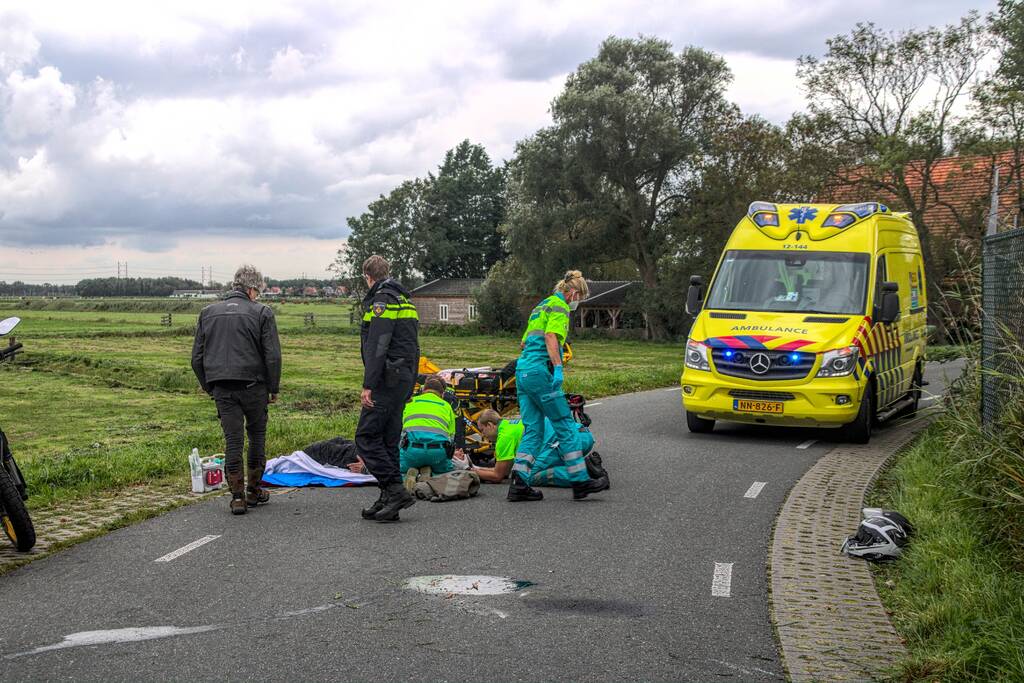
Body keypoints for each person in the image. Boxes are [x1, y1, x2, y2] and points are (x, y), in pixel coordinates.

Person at [508, 270, 609, 501]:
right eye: (579, 298)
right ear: (573, 293)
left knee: (533, 429)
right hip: (539, 372)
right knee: (564, 423)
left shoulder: (540, 307)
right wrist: (558, 367)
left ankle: (519, 484)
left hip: (522, 372)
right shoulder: (560, 306)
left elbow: (524, 343)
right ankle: (580, 483)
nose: (578, 303)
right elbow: (551, 336)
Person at [191, 265, 281, 515]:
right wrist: (273, 387)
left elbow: (196, 358)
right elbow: (272, 355)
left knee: (233, 440)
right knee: (256, 437)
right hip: (254, 385)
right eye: (258, 291)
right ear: (252, 289)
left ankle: (237, 497)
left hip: (222, 386)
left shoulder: (207, 313)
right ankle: (254, 490)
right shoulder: (262, 312)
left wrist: (209, 386)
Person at [354, 255, 420, 522]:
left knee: (366, 437)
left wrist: (369, 384)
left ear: (367, 276)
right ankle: (387, 498)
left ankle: (395, 490)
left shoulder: (381, 301)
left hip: (387, 378)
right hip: (404, 377)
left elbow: (378, 345)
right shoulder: (404, 299)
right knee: (388, 438)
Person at [467, 409, 607, 486]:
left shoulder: (504, 437)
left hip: (568, 441)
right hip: (582, 435)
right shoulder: (510, 425)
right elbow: (505, 471)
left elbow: (498, 475)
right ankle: (584, 464)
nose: (483, 436)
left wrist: (470, 471)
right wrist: (479, 469)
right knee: (540, 463)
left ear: (490, 425)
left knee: (528, 476)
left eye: (482, 430)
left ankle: (586, 471)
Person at [399, 375, 459, 479]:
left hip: (412, 451)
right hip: (437, 453)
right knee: (444, 474)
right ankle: (432, 476)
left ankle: (408, 475)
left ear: (422, 390)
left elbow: (399, 430)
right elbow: (451, 437)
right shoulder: (446, 406)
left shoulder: (409, 402)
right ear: (443, 394)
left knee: (399, 470)